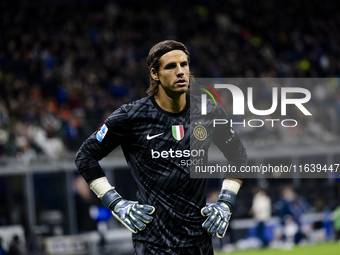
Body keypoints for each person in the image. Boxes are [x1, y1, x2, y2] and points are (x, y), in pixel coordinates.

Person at [75, 40, 247, 254]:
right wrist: (115, 203)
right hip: (153, 244)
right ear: (155, 74)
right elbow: (85, 156)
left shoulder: (208, 112)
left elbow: (238, 155)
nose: (180, 71)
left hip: (199, 243)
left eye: (184, 64)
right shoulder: (131, 116)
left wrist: (225, 202)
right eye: (171, 66)